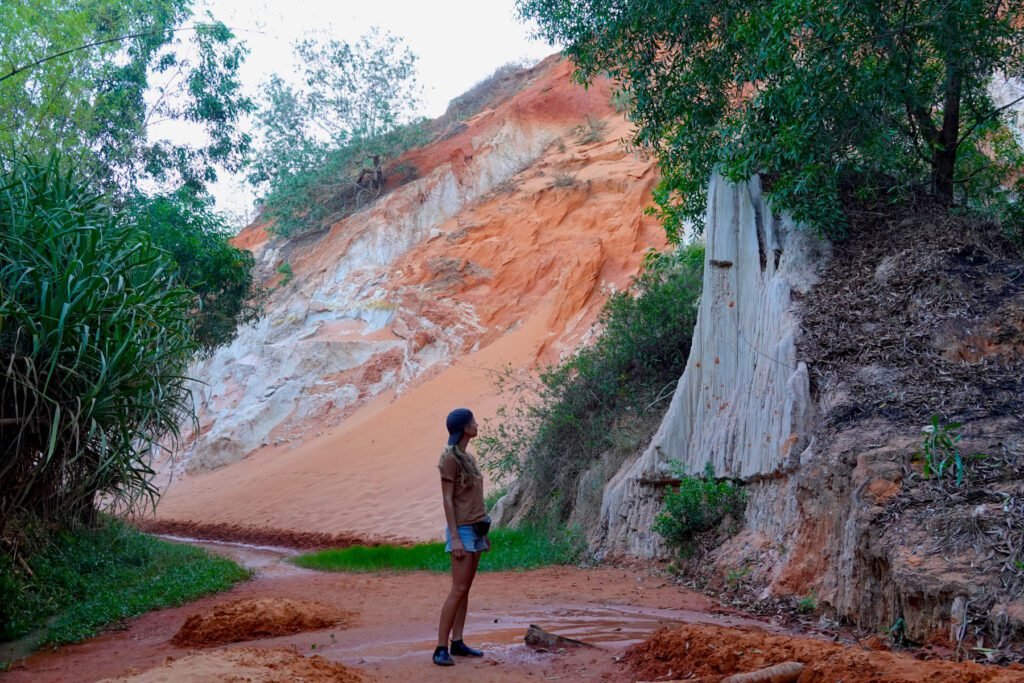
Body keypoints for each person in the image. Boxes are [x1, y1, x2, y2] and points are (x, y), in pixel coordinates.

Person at [433, 407, 490, 667]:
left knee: (465, 589)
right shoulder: (450, 458)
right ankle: (440, 648)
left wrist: (484, 533)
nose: (477, 425)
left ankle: (458, 642)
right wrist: (454, 536)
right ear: (466, 429)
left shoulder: (467, 457)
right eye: (473, 422)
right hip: (463, 531)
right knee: (457, 589)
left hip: (476, 529)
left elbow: (472, 498)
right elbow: (447, 499)